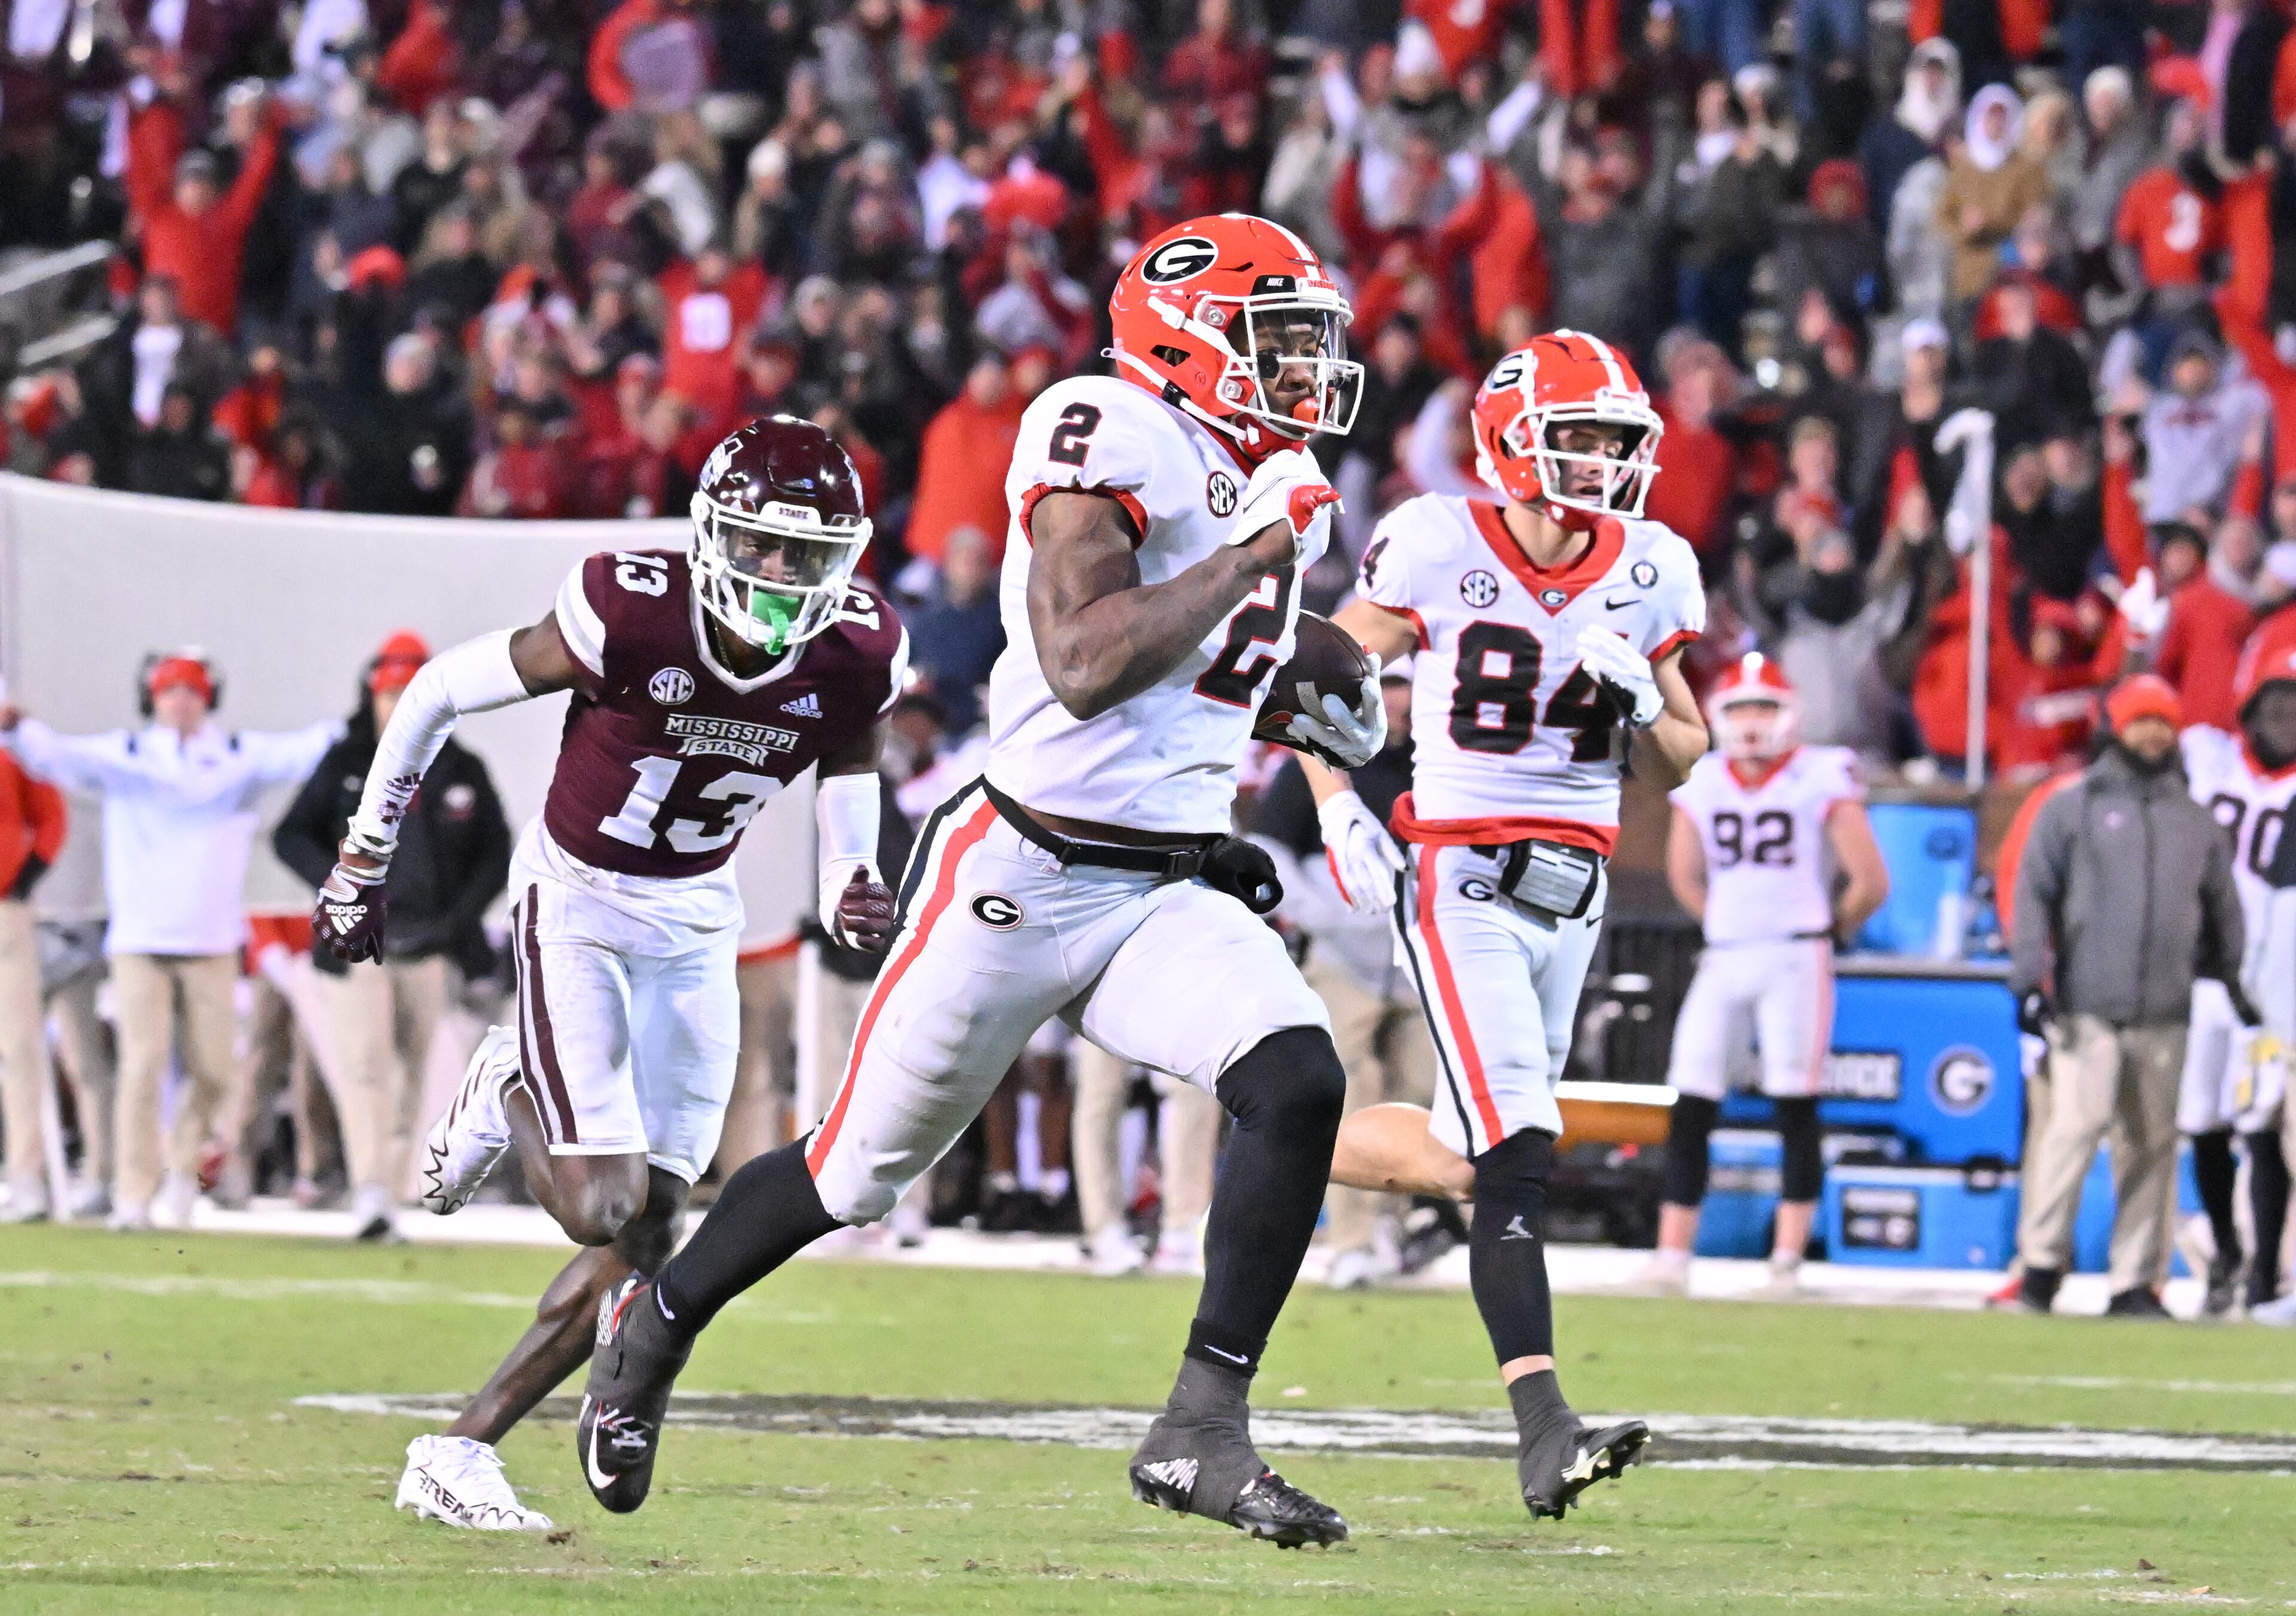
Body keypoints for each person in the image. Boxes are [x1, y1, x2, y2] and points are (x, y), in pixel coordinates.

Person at [573, 215, 1383, 1549]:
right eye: (1279, 336)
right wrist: (1251, 558)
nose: (1305, 367)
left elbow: (1208, 668)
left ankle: (1199, 1428)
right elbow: (1082, 657)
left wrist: (1316, 699)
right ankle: (654, 1325)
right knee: (849, 1172)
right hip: (1017, 872)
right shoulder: (1103, 424)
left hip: (1160, 883)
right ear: (1187, 336)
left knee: (1295, 1078)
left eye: (1309, 339)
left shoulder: (1270, 472)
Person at [313, 417, 908, 1532]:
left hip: (696, 920)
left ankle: (455, 1450)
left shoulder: (857, 648)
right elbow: (441, 687)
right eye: (762, 546)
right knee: (603, 1199)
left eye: (808, 551)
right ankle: (506, 1083)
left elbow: (850, 763)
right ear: (712, 533)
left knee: (648, 1232)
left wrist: (853, 876)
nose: (782, 574)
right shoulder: (629, 608)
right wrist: (364, 857)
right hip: (578, 902)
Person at [1301, 332, 1710, 1517]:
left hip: (1573, 891)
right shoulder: (1433, 540)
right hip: (1461, 870)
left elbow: (1685, 760)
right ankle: (1544, 1427)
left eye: (1614, 441)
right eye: (1577, 434)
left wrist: (1645, 705)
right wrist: (1340, 809)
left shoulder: (1655, 563)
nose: (1598, 461)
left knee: (1481, 1155)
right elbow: (1313, 671)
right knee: (1521, 1143)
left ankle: (1284, 1130)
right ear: (1513, 437)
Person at [0, 655, 339, 1229]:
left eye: (192, 690)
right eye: (169, 690)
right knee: (142, 1064)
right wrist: (17, 726)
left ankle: (183, 1168)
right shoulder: (127, 757)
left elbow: (305, 749)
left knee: (216, 1071)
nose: (180, 701)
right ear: (152, 699)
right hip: (139, 939)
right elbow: (57, 756)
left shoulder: (235, 758)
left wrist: (362, 723)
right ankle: (134, 1193)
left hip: (209, 940)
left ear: (208, 698)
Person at [1626, 654, 1888, 1297]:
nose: (1750, 722)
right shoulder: (1706, 779)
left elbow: (1870, 880)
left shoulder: (1820, 774)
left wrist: (1827, 930)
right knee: (1692, 1100)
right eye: (1740, 707)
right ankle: (1672, 1254)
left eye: (1763, 707)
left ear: (1789, 713)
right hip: (1727, 952)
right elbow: (1684, 873)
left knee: (1795, 1103)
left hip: (1796, 955)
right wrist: (1728, 921)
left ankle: (1788, 1260)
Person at [2010, 675, 2249, 1318]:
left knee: (2152, 1145)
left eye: (2164, 722)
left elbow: (2224, 912)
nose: (2154, 733)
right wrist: (2030, 980)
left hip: (2166, 1009)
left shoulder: (2194, 821)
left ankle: (2136, 1280)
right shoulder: (2073, 806)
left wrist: (2235, 982)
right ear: (2114, 727)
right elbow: (2034, 895)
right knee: (2072, 1133)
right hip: (2086, 1004)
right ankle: (2039, 1267)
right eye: (2142, 721)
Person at [273, 633, 512, 1244]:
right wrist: (335, 887)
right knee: (364, 1066)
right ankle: (371, 1188)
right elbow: (290, 834)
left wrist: (459, 920)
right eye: (388, 693)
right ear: (372, 696)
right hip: (361, 945)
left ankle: (397, 1186)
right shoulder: (347, 761)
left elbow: (495, 851)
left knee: (412, 1068)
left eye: (408, 692)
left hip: (430, 944)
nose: (396, 704)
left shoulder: (460, 767)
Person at [1249, 658, 1433, 1290]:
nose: (1403, 699)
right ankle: (1352, 1238)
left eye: (1411, 685)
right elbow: (1270, 845)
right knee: (1351, 1095)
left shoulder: (1439, 763)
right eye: (1394, 685)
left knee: (1422, 1097)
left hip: (1420, 959)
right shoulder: (1326, 757)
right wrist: (1323, 916)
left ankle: (1393, 1223)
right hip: (1344, 959)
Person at [2178, 627, 2296, 1315]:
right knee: (2204, 1122)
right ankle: (2225, 1248)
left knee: (2262, 1125)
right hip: (2203, 973)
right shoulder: (2209, 758)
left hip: (2270, 985)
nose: (2285, 719)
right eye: (2275, 702)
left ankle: (2261, 1277)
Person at [0, 749, 65, 1222]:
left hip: (4, 911)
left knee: (18, 1047)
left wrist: (23, 880)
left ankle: (26, 1175)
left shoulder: (13, 755)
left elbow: (51, 817)